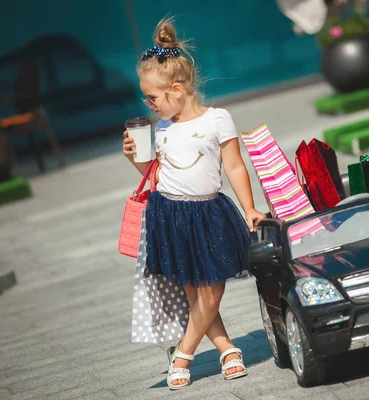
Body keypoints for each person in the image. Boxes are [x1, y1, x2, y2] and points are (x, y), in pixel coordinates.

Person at [122, 17, 266, 390]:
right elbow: (157, 173)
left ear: (176, 89)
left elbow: (234, 166)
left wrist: (249, 207)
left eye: (152, 97)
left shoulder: (218, 119)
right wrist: (135, 159)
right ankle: (228, 349)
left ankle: (182, 354)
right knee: (192, 290)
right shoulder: (163, 129)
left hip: (209, 212)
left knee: (211, 289)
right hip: (169, 214)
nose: (148, 104)